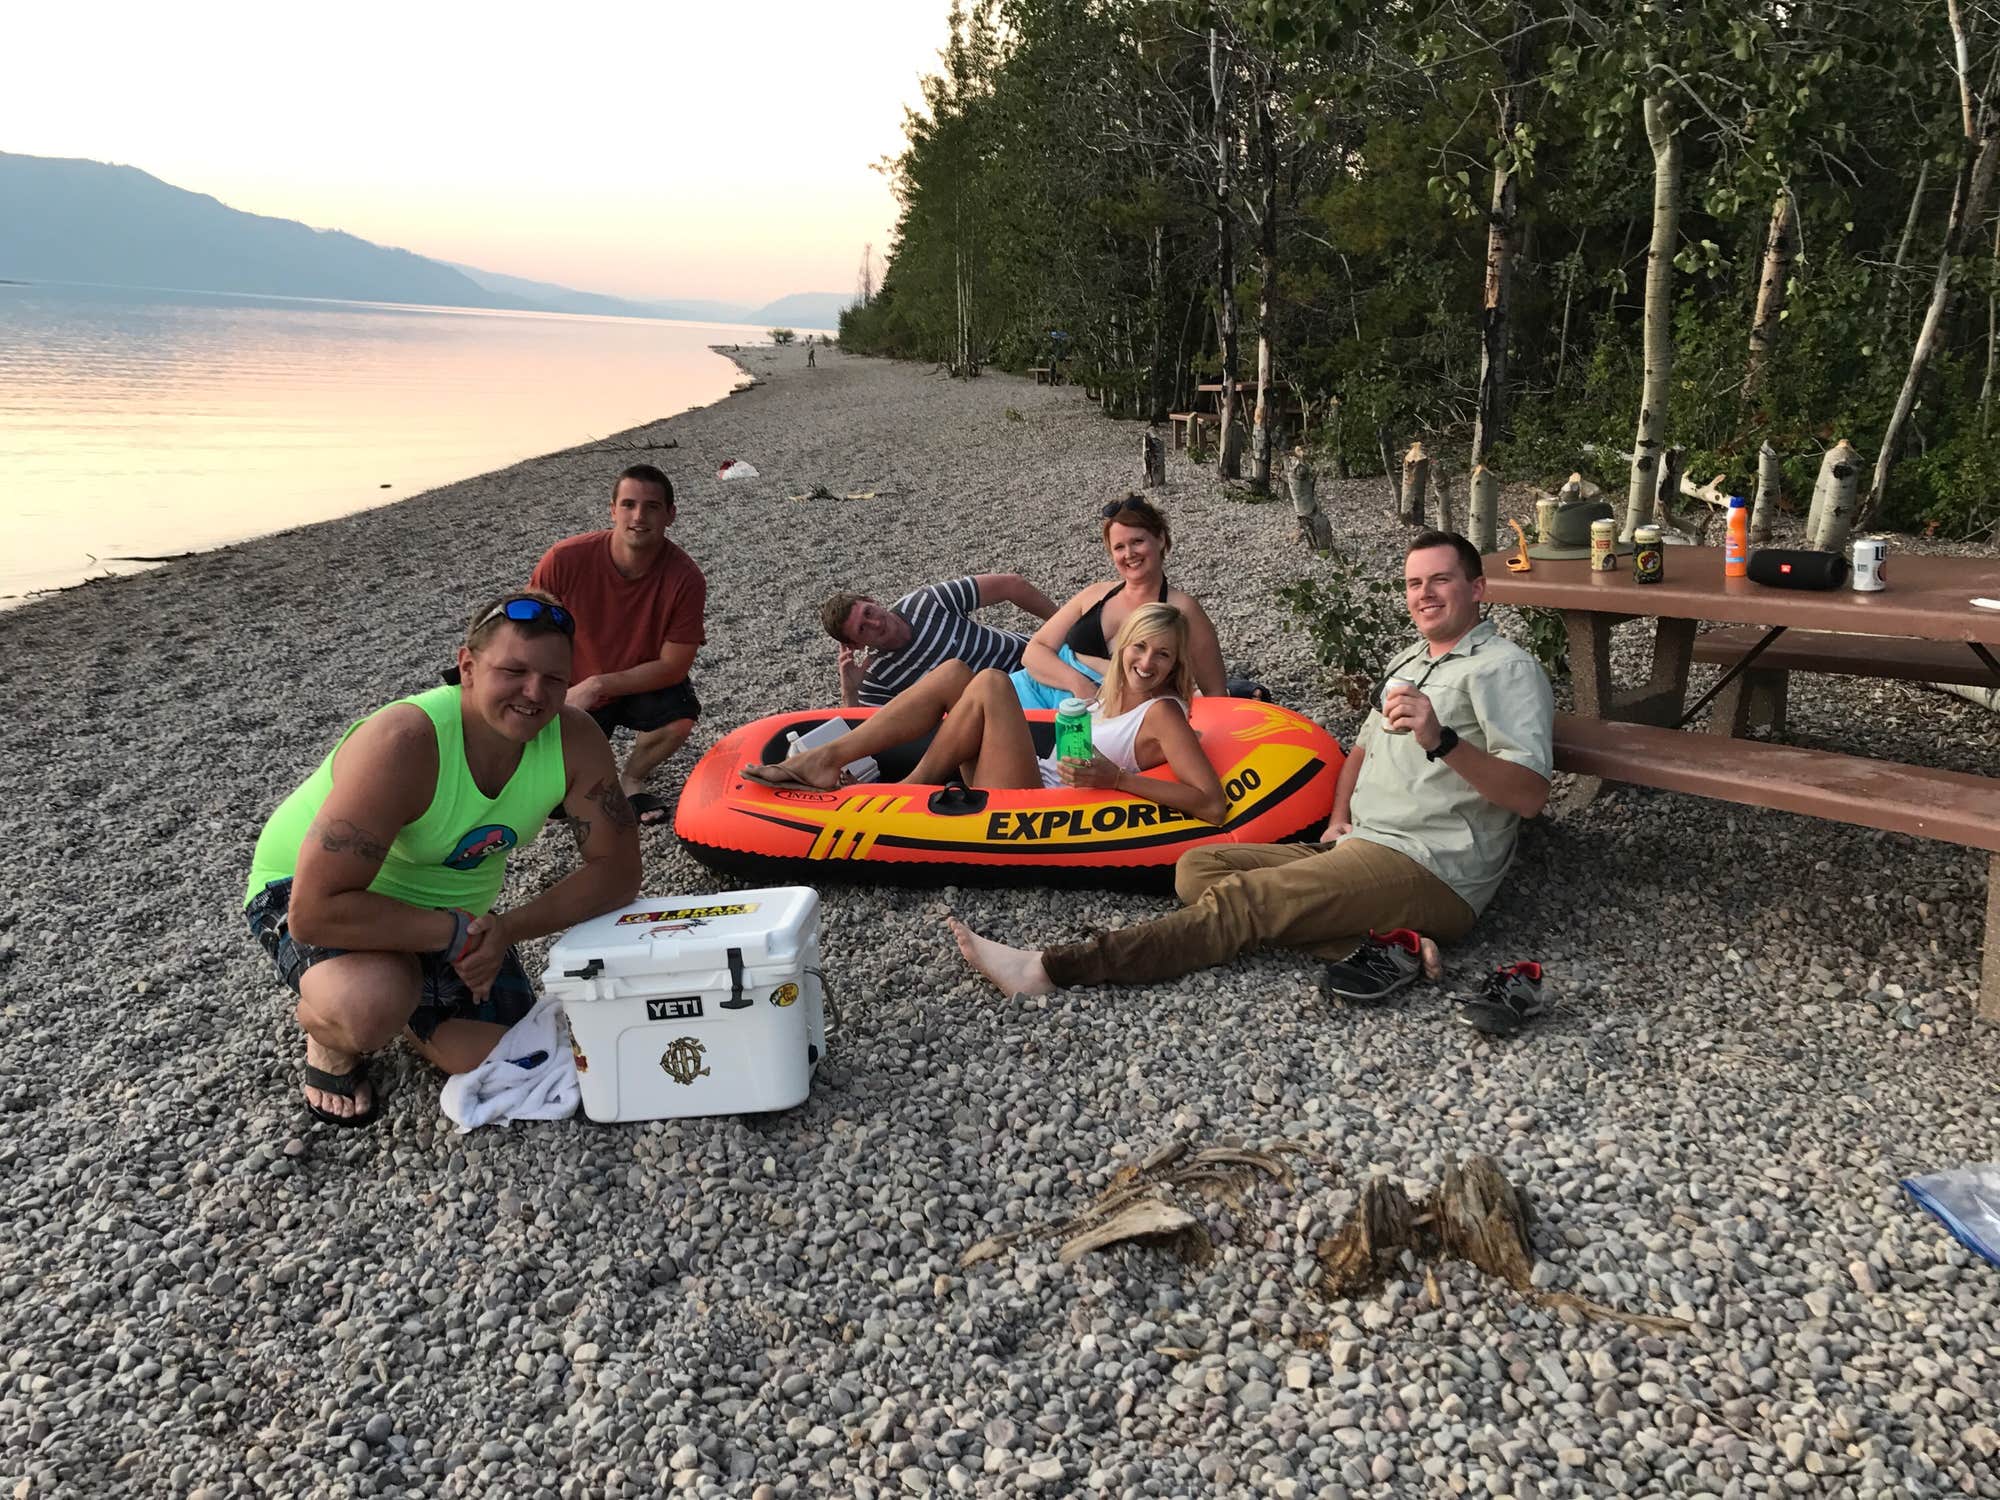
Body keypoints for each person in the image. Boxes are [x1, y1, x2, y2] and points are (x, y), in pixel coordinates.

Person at [950, 533, 1554, 1029]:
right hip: (1361, 843)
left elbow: (1529, 796)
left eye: (1441, 580)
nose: (1424, 594)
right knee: (1198, 869)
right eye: (1414, 583)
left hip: (1431, 863)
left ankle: (1052, 969)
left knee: (1244, 904)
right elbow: (1364, 749)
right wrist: (1340, 818)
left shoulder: (1504, 669)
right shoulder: (1409, 661)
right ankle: (1383, 943)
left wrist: (1441, 740)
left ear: (1478, 589)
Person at [244, 592, 642, 1127]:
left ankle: (411, 995)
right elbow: (313, 913)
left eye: (554, 678)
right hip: (317, 890)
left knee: (493, 1056)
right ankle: (328, 1037)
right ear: (468, 667)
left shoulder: (574, 738)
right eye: (513, 671)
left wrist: (502, 930)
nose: (535, 694)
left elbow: (617, 872)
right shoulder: (405, 742)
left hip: (459, 914)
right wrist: (456, 937)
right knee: (367, 1008)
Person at [743, 605, 1226, 825]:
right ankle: (839, 760)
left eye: (1162, 656)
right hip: (1027, 779)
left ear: (1176, 663)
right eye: (1139, 647)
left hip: (1035, 808)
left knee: (993, 681)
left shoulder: (1163, 713)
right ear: (1121, 648)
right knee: (955, 671)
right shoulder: (1106, 692)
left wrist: (1117, 779)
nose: (1146, 663)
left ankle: (899, 788)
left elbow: (1210, 803)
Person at [528, 464, 705, 826]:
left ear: (670, 514)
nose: (639, 516)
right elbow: (526, 635)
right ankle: (586, 769)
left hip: (637, 679)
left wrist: (599, 684)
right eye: (628, 504)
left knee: (679, 718)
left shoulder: (685, 578)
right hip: (570, 686)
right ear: (612, 510)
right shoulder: (565, 559)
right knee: (552, 800)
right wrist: (552, 692)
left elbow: (674, 665)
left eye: (652, 506)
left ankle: (632, 778)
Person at [1012, 496, 1226, 711]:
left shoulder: (1183, 610)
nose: (1129, 554)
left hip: (1095, 719)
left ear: (1160, 539)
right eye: (1119, 547)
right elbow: (1034, 652)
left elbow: (1215, 693)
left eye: (1137, 542)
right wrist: (1078, 684)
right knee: (990, 687)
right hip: (1032, 690)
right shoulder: (1095, 594)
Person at [823, 573, 1059, 708]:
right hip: (1004, 708)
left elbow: (1011, 585)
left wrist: (1064, 624)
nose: (875, 624)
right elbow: (870, 742)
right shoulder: (876, 676)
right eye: (862, 629)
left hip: (1034, 661)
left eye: (868, 612)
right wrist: (850, 692)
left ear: (872, 601)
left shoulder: (925, 603)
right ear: (855, 645)